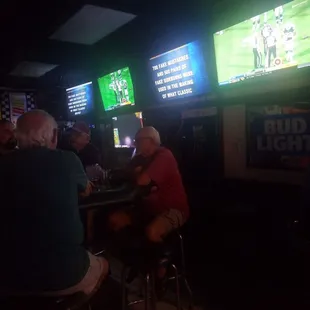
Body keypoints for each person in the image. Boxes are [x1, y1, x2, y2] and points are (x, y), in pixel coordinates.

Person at [0, 110, 109, 296]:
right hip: (62, 274)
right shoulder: (68, 159)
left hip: (8, 277)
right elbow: (85, 191)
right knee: (104, 265)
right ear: (53, 135)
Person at [109, 126, 189, 244]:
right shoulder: (140, 157)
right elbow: (122, 173)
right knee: (114, 219)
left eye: (138, 140)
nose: (135, 143)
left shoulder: (164, 155)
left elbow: (142, 180)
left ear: (150, 140)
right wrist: (133, 172)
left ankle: (162, 260)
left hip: (173, 209)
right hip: (148, 208)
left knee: (152, 232)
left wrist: (136, 173)